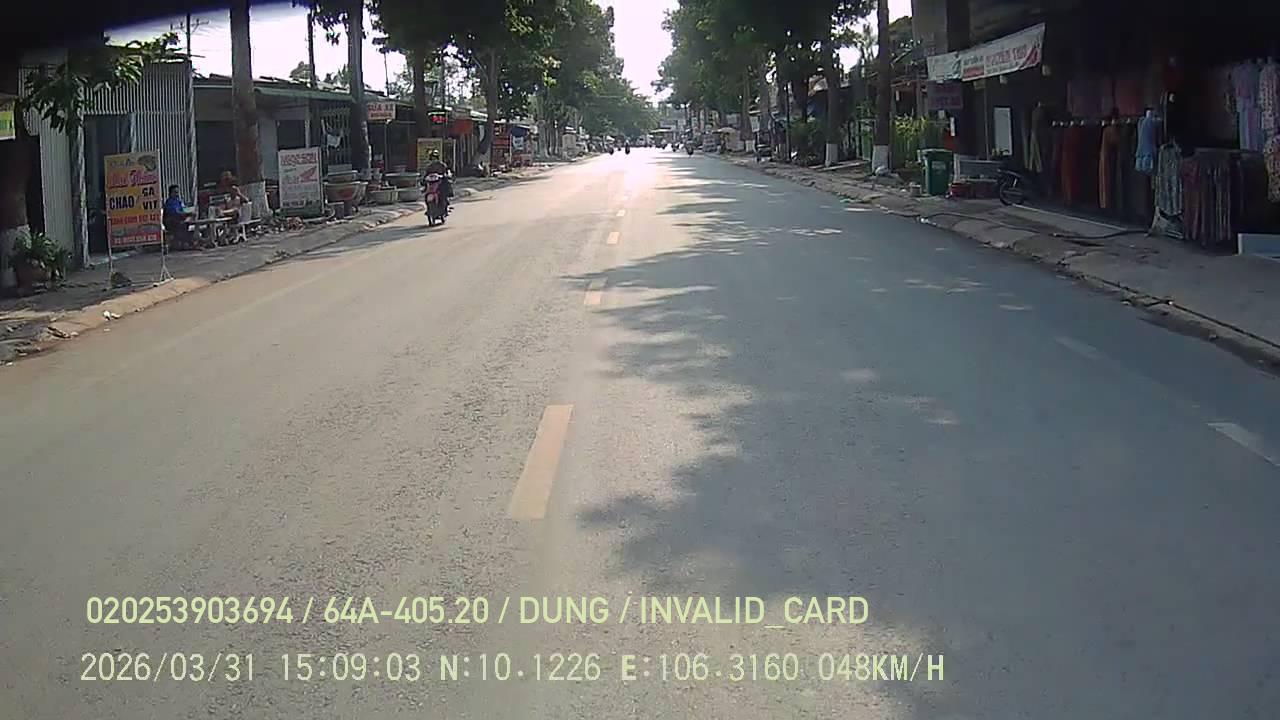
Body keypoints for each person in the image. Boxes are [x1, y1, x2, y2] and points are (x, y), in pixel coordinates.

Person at [161, 184, 196, 249]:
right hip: (171, 223)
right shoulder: (169, 202)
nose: (177, 194)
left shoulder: (178, 201)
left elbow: (183, 210)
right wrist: (187, 214)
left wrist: (188, 214)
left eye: (177, 192)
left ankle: (189, 242)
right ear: (171, 193)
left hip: (179, 221)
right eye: (175, 192)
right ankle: (187, 243)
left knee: (187, 222)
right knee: (182, 225)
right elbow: (176, 213)